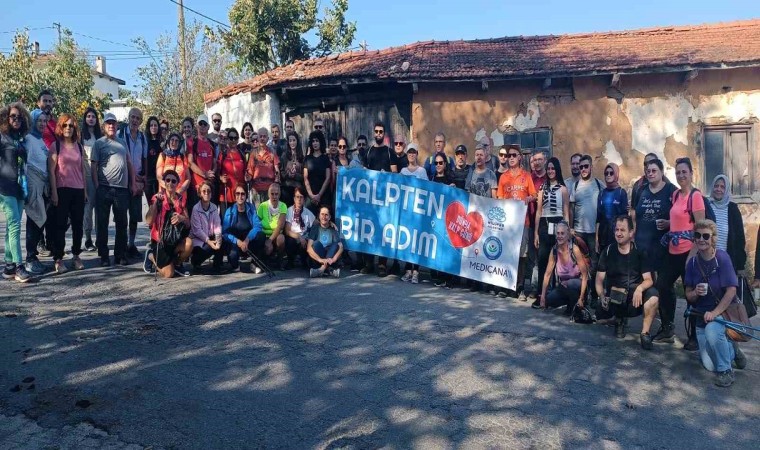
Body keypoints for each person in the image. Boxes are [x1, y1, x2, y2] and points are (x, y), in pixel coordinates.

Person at [684, 219, 746, 387]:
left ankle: (726, 371)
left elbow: (731, 291)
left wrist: (714, 313)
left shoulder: (722, 258)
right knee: (710, 365)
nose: (701, 239)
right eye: (698, 235)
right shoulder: (692, 263)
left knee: (712, 331)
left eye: (706, 236)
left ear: (713, 238)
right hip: (701, 317)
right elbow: (688, 295)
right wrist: (695, 293)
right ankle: (732, 349)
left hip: (722, 314)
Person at [656, 157, 705, 348]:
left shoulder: (696, 196)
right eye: (678, 172)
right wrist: (669, 224)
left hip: (688, 253)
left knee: (690, 293)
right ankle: (667, 328)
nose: (681, 175)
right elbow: (680, 218)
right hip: (672, 250)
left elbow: (700, 229)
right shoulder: (676, 195)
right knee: (662, 285)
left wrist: (692, 255)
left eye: (684, 172)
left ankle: (694, 336)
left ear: (691, 173)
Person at [595, 216, 660, 348]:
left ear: (631, 233)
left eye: (622, 230)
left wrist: (640, 289)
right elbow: (599, 280)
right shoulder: (607, 251)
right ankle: (618, 320)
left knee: (653, 296)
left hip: (634, 299)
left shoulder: (640, 251)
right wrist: (601, 296)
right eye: (617, 230)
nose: (618, 233)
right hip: (614, 298)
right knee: (599, 315)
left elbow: (649, 280)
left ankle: (645, 333)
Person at [92, 112, 138, 267]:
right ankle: (104, 255)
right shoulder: (99, 143)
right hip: (104, 188)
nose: (111, 125)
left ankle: (120, 254)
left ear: (117, 125)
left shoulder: (122, 143)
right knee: (102, 223)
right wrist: (97, 185)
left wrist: (132, 183)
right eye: (108, 123)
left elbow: (129, 163)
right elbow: (94, 165)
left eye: (113, 123)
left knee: (122, 223)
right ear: (104, 126)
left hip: (121, 189)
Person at [48, 114, 87, 273]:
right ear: (60, 127)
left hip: (78, 190)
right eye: (65, 125)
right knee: (60, 225)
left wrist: (85, 191)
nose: (68, 128)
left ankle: (76, 256)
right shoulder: (55, 146)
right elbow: (51, 171)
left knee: (78, 226)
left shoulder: (79, 147)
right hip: (62, 190)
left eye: (71, 125)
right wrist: (54, 192)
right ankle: (58, 258)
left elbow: (82, 171)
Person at [497, 145, 537, 298]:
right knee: (507, 254)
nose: (511, 158)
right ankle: (507, 285)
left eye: (514, 155)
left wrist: (528, 198)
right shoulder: (503, 177)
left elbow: (534, 195)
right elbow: (499, 198)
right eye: (509, 155)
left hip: (523, 222)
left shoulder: (526, 176)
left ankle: (519, 286)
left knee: (521, 255)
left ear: (520, 157)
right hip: (508, 224)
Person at [359, 121, 399, 277]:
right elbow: (364, 172)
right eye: (376, 131)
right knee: (369, 230)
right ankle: (369, 263)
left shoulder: (390, 152)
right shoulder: (368, 151)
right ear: (373, 132)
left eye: (381, 131)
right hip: (370, 200)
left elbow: (395, 174)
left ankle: (382, 264)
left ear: (384, 133)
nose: (378, 134)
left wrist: (386, 175)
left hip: (385, 200)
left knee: (383, 231)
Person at [0, 103, 33, 282]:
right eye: (13, 116)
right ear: (6, 117)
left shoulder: (20, 139)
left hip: (20, 187)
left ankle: (9, 266)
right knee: (14, 226)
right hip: (5, 187)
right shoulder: (2, 137)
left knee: (12, 226)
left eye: (19, 117)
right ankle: (20, 266)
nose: (16, 119)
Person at [533, 157, 570, 308]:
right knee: (543, 260)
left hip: (559, 225)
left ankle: (556, 296)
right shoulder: (542, 188)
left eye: (553, 168)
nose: (550, 171)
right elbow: (538, 211)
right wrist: (536, 233)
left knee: (558, 261)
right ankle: (540, 294)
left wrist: (567, 232)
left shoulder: (563, 189)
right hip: (544, 224)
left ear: (557, 170)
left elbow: (566, 212)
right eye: (548, 168)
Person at [630, 158, 676, 276]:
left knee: (662, 283)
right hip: (642, 245)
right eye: (648, 171)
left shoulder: (671, 190)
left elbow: (681, 214)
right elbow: (634, 211)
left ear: (662, 172)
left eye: (654, 171)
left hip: (662, 246)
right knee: (643, 280)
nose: (650, 173)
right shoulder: (641, 190)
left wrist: (670, 223)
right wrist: (633, 232)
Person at [144, 170, 192, 278]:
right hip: (161, 242)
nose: (170, 183)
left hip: (175, 239)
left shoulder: (181, 200)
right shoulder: (158, 198)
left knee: (189, 244)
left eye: (173, 181)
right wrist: (155, 203)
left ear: (177, 183)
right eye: (168, 180)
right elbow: (149, 221)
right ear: (164, 182)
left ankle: (177, 264)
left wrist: (182, 218)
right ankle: (151, 256)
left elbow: (188, 224)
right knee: (169, 274)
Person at [117, 107, 147, 260]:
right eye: (132, 117)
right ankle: (121, 246)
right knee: (122, 215)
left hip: (138, 180)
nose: (134, 120)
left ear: (141, 121)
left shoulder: (142, 137)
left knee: (134, 215)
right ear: (128, 118)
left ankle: (131, 244)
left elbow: (144, 157)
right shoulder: (120, 134)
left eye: (137, 118)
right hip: (124, 180)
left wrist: (144, 176)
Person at [539, 221, 589, 314]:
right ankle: (570, 303)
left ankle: (579, 303)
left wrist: (581, 297)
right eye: (558, 233)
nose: (560, 236)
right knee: (549, 300)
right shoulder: (554, 250)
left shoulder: (574, 249)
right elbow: (547, 275)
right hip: (563, 286)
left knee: (570, 283)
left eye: (562, 233)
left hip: (578, 284)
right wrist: (542, 296)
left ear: (568, 235)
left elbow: (585, 275)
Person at [24, 109, 50, 274]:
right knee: (34, 220)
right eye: (39, 120)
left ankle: (33, 257)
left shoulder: (40, 140)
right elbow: (24, 162)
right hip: (33, 183)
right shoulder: (28, 139)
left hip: (42, 184)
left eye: (44, 121)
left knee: (40, 219)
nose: (42, 123)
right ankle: (30, 259)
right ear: (33, 121)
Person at [570, 154, 603, 281]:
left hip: (594, 232)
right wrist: (571, 228)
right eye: (581, 167)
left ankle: (593, 291)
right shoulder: (576, 186)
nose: (583, 169)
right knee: (578, 263)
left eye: (586, 166)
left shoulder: (599, 184)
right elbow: (571, 209)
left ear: (591, 167)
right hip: (578, 231)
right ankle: (581, 290)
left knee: (594, 263)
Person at [221, 182, 266, 273]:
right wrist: (237, 242)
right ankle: (235, 265)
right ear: (234, 196)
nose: (240, 196)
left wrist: (247, 239)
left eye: (242, 194)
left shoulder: (251, 208)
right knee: (233, 256)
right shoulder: (229, 211)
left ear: (246, 196)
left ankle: (254, 264)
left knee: (261, 235)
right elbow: (225, 233)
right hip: (235, 244)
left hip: (248, 242)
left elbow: (258, 226)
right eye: (237, 194)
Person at [399, 144, 427, 283]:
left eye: (413, 152)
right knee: (406, 240)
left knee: (416, 242)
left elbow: (428, 189)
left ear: (417, 154)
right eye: (409, 152)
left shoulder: (422, 171)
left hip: (418, 213)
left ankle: (416, 271)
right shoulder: (403, 171)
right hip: (406, 213)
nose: (411, 155)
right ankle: (407, 270)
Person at [523, 150, 548, 302]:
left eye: (539, 159)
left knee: (542, 257)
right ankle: (531, 287)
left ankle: (539, 288)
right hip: (530, 222)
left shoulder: (549, 178)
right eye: (534, 160)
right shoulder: (528, 178)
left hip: (545, 224)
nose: (536, 163)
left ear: (545, 160)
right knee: (531, 256)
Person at [709, 174, 746, 276]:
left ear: (727, 190)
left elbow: (740, 239)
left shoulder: (733, 209)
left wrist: (740, 265)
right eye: (716, 186)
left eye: (722, 187)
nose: (718, 189)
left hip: (727, 261)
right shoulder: (707, 206)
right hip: (708, 260)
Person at [189, 180, 223, 272]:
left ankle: (217, 266)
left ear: (211, 194)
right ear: (200, 194)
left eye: (209, 191)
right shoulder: (196, 209)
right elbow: (197, 231)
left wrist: (218, 238)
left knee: (221, 240)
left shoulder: (214, 207)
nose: (206, 193)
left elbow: (217, 225)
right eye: (204, 191)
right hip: (198, 239)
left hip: (210, 236)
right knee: (209, 247)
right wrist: (209, 242)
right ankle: (195, 262)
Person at [80, 107, 102, 252]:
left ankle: (99, 239)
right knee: (88, 208)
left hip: (100, 176)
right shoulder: (81, 136)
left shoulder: (100, 136)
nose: (91, 119)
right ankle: (87, 239)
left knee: (100, 209)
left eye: (93, 116)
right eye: (88, 116)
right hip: (86, 176)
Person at [595, 163, 628, 253]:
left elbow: (624, 219)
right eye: (606, 173)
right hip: (603, 236)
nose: (608, 175)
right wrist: (596, 239)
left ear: (616, 174)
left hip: (616, 235)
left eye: (611, 173)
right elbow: (598, 219)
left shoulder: (621, 192)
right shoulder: (601, 193)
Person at [186, 114, 216, 211]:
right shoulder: (192, 143)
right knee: (196, 215)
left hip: (209, 187)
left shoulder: (212, 144)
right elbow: (190, 163)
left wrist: (212, 172)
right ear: (197, 126)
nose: (202, 126)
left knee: (209, 216)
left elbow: (215, 163)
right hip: (196, 187)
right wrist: (204, 174)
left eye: (205, 124)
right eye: (200, 124)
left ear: (208, 127)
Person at [307, 206, 344, 278]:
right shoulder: (315, 228)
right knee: (316, 244)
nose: (324, 217)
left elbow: (341, 247)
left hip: (330, 257)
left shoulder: (333, 229)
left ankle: (321, 270)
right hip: (318, 258)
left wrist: (334, 259)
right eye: (322, 214)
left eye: (326, 215)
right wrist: (319, 259)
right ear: (319, 216)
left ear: (329, 217)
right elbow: (309, 248)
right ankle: (330, 270)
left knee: (335, 245)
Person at [217, 128, 246, 218]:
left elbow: (246, 170)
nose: (233, 140)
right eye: (231, 138)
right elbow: (216, 171)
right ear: (227, 139)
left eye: (235, 138)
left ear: (238, 139)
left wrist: (247, 176)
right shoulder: (223, 154)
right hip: (226, 193)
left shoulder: (241, 154)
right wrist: (221, 178)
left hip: (239, 193)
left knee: (238, 219)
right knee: (226, 219)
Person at [246, 127, 280, 206]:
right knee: (258, 212)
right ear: (257, 138)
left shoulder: (272, 152)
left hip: (269, 189)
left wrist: (277, 181)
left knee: (269, 212)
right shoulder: (253, 154)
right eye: (260, 136)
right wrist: (247, 177)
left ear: (268, 138)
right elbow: (250, 171)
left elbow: (277, 169)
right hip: (256, 190)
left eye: (264, 136)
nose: (262, 138)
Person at [284, 186, 316, 269]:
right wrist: (299, 237)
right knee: (290, 241)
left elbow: (318, 223)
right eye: (297, 197)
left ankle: (304, 261)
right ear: (294, 198)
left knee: (309, 241)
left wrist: (330, 223)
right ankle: (290, 261)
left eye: (301, 197)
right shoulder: (289, 211)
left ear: (304, 199)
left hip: (304, 238)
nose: (299, 199)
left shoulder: (308, 212)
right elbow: (287, 231)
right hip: (294, 237)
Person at [257, 183, 287, 269]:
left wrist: (270, 240)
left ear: (279, 195)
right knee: (266, 247)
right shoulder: (263, 206)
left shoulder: (283, 206)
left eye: (276, 194)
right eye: (272, 194)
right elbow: (257, 223)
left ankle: (280, 260)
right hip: (264, 235)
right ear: (268, 194)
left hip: (276, 235)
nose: (274, 196)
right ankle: (265, 261)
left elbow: (280, 226)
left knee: (281, 238)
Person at [156, 132, 191, 200]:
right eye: (172, 140)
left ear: (179, 143)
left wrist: (180, 190)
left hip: (180, 195)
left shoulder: (182, 157)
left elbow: (188, 178)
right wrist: (170, 190)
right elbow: (159, 176)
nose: (174, 142)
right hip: (165, 194)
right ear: (169, 142)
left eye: (176, 141)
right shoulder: (163, 155)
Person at [303, 131, 331, 215]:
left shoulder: (325, 158)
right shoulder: (307, 158)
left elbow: (328, 178)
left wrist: (319, 195)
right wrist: (311, 195)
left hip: (324, 195)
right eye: (313, 141)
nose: (315, 143)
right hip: (310, 195)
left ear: (321, 142)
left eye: (317, 141)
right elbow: (305, 178)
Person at [280, 131, 304, 206]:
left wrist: (295, 175)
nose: (292, 143)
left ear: (297, 141)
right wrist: (289, 174)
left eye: (294, 140)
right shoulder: (284, 156)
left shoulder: (301, 157)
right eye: (290, 141)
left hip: (298, 188)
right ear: (288, 142)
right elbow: (282, 173)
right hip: (287, 188)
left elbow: (304, 175)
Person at [144, 116, 162, 205]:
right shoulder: (145, 142)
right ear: (148, 127)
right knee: (151, 205)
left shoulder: (162, 142)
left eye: (155, 125)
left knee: (160, 205)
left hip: (160, 179)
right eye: (151, 125)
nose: (153, 127)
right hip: (148, 179)